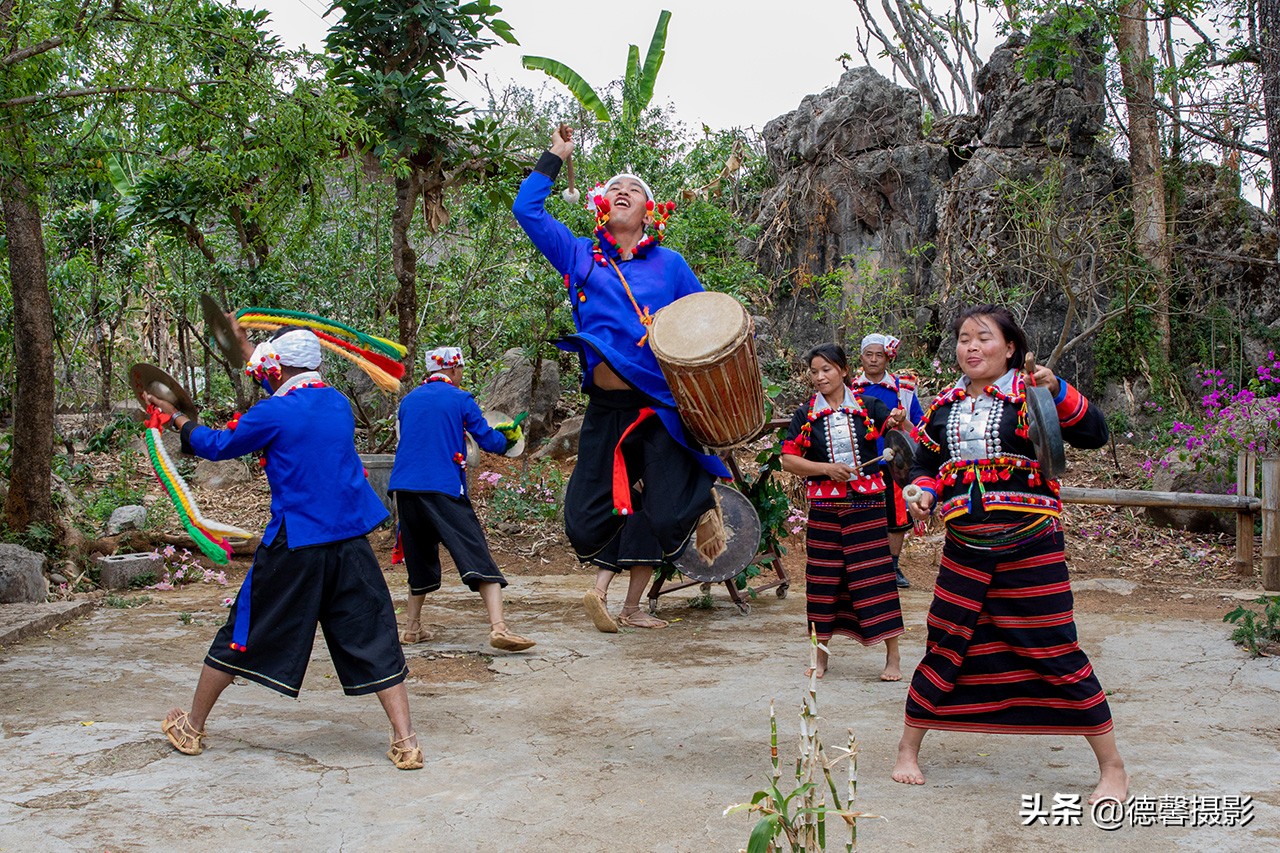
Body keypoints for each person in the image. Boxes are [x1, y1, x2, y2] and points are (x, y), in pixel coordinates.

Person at [149, 319, 422, 770]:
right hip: (350, 542)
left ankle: (192, 728)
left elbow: (218, 446)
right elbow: (284, 395)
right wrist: (252, 350)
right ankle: (406, 740)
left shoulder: (273, 413)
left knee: (243, 631)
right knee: (375, 634)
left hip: (296, 543)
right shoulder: (336, 404)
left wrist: (177, 417)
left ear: (276, 369)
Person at [890, 304, 1127, 805]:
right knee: (948, 639)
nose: (970, 347)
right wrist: (922, 492)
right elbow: (926, 465)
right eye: (962, 338)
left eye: (983, 338)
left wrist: (1056, 388)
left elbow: (1094, 433)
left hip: (1031, 542)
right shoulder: (944, 407)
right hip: (964, 545)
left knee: (1053, 644)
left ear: (1011, 347)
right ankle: (908, 750)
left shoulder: (1032, 394)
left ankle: (1112, 767)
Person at [512, 125, 729, 632]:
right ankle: (619, 584)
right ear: (600, 207)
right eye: (613, 188)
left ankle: (698, 501)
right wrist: (554, 155)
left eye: (634, 188)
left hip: (657, 402)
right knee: (587, 512)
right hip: (606, 405)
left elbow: (704, 321)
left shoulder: (670, 265)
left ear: (649, 210)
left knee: (666, 505)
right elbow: (528, 211)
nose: (622, 190)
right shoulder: (579, 256)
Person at [388, 346, 536, 653]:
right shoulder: (459, 399)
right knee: (475, 552)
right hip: (442, 486)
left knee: (419, 555)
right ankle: (499, 628)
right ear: (453, 371)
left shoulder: (408, 400)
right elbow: (486, 437)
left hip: (404, 488)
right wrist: (507, 438)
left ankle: (412, 629)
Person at [780, 344, 903, 681]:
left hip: (867, 506)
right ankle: (819, 657)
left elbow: (896, 428)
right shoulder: (805, 414)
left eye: (827, 370)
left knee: (875, 577)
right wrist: (825, 468)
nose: (820, 377)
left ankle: (893, 657)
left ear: (845, 370)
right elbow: (788, 460)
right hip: (825, 508)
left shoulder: (868, 406)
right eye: (815, 371)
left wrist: (897, 420)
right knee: (822, 579)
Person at [852, 333, 923, 589]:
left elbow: (917, 430)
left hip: (896, 463)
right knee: (862, 516)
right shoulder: (851, 390)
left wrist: (901, 419)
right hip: (864, 462)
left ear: (887, 358)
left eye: (878, 355)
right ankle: (865, 568)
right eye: (868, 355)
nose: (873, 360)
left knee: (897, 518)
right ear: (861, 358)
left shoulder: (903, 390)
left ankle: (892, 566)